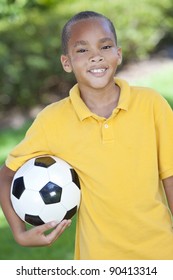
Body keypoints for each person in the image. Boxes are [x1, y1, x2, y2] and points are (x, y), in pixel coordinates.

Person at [0, 10, 173, 260]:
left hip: (162, 254)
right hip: (97, 261)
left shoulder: (151, 104)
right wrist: (19, 233)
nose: (95, 57)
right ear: (66, 62)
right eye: (82, 50)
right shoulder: (52, 120)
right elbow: (6, 175)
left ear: (118, 54)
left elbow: (170, 176)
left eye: (105, 46)